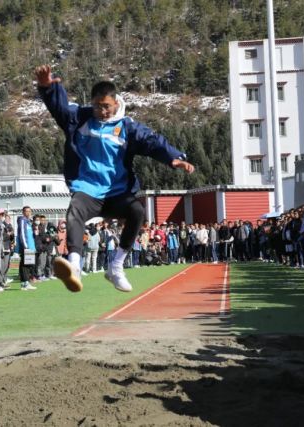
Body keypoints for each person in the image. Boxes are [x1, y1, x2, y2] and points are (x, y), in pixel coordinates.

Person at [35, 64, 194, 292]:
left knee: (137, 212)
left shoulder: (127, 127)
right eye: (98, 106)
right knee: (74, 211)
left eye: (107, 106)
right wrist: (46, 87)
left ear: (116, 103)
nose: (103, 111)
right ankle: (75, 266)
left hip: (117, 193)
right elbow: (59, 108)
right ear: (91, 103)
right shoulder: (79, 118)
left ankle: (116, 266)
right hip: (88, 189)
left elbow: (152, 141)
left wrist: (173, 157)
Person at [16, 206, 37, 290]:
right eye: (26, 211)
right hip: (26, 247)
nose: (28, 213)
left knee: (28, 265)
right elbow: (22, 234)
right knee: (25, 265)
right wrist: (25, 246)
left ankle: (25, 283)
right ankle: (25, 283)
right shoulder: (22, 220)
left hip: (31, 247)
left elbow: (30, 236)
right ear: (23, 212)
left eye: (29, 211)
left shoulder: (29, 222)